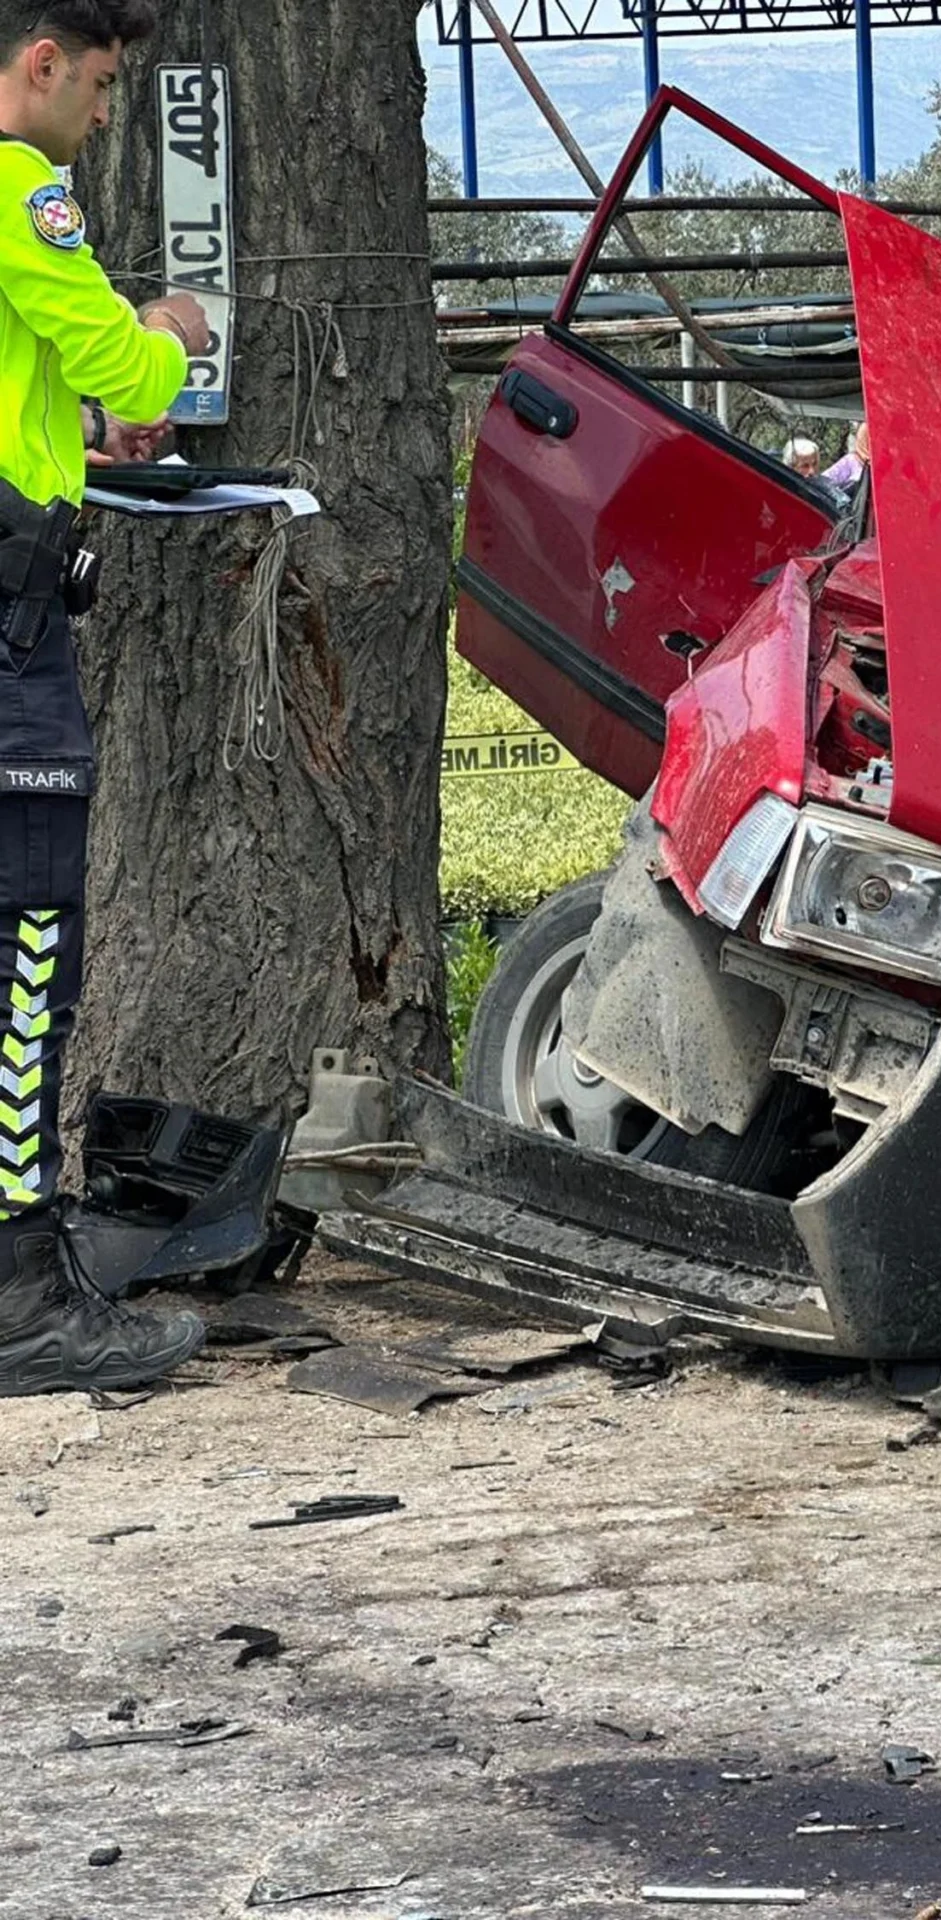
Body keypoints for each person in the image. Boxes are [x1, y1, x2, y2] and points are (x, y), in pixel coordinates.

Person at [0, 0, 213, 1395]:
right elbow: (131, 367)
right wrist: (169, 330)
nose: (103, 113)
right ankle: (21, 1293)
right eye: (100, 84)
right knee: (30, 949)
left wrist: (66, 428)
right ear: (41, 63)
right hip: (10, 638)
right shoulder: (22, 190)